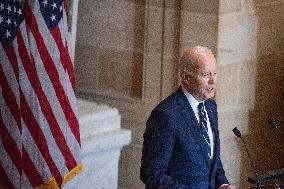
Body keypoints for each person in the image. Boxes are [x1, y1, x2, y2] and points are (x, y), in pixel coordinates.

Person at [140, 46, 236, 189]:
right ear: (186, 77)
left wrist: (222, 184)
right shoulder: (166, 115)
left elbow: (211, 159)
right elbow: (152, 173)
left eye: (215, 73)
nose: (212, 81)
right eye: (205, 75)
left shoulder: (210, 107)